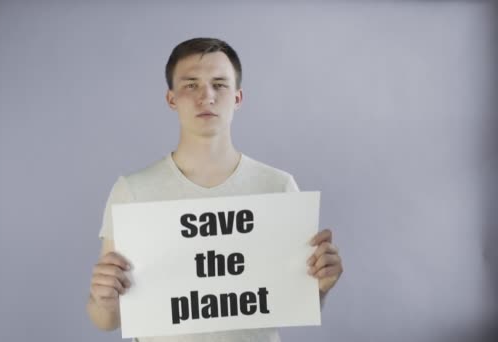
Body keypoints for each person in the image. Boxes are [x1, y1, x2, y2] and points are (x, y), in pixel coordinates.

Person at [86, 37, 343, 342]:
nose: (206, 96)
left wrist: (320, 286)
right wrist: (104, 299)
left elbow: (293, 301)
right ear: (171, 99)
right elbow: (108, 319)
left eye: (219, 84)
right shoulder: (132, 191)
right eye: (191, 85)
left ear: (238, 97)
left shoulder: (278, 187)